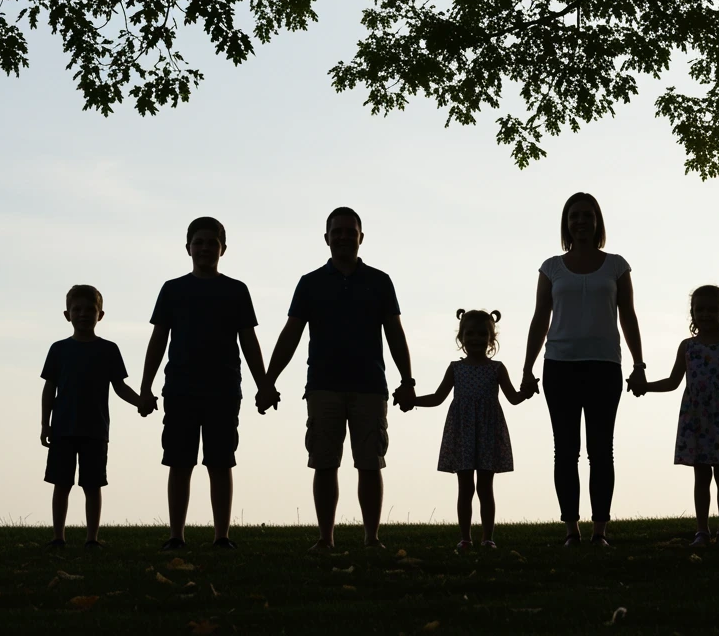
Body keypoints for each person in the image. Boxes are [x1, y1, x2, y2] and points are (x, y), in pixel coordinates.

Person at [256, 207, 415, 550]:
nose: (343, 237)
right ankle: (325, 539)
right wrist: (268, 381)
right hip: (323, 386)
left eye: (349, 232)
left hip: (369, 386)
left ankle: (372, 538)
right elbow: (290, 334)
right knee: (324, 463)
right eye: (337, 232)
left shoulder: (380, 281)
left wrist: (408, 381)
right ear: (326, 238)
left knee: (370, 464)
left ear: (361, 237)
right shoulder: (310, 283)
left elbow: (395, 333)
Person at [519, 192, 649, 547]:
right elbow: (540, 318)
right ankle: (571, 529)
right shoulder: (551, 268)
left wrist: (639, 364)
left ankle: (600, 530)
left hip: (604, 366)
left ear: (597, 221)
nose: (580, 222)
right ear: (566, 223)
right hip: (559, 366)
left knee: (601, 450)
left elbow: (628, 316)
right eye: (574, 216)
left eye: (587, 215)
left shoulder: (616, 266)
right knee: (565, 450)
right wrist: (527, 368)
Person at [138, 216, 268, 551]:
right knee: (179, 462)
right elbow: (158, 339)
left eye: (212, 242)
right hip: (180, 388)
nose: (205, 248)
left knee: (221, 462)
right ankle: (176, 536)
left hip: (223, 389)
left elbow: (249, 340)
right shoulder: (172, 289)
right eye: (199, 242)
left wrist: (263, 384)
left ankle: (221, 536)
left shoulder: (236, 290)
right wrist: (145, 387)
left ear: (223, 248)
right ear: (188, 248)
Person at [411, 309, 530, 550]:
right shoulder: (456, 368)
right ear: (461, 337)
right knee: (465, 487)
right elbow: (437, 397)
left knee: (485, 487)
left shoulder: (497, 368)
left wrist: (527, 391)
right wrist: (412, 400)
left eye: (482, 334)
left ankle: (488, 538)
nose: (476, 338)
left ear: (491, 338)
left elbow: (513, 398)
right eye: (470, 333)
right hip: (462, 432)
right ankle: (465, 538)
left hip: (488, 432)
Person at [643, 284, 719, 547]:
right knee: (701, 476)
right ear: (692, 313)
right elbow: (673, 381)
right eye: (700, 310)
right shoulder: (687, 347)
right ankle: (702, 531)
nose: (706, 314)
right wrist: (646, 386)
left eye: (712, 309)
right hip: (696, 419)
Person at [40, 284, 143, 549]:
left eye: (89, 309)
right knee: (61, 484)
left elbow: (119, 387)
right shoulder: (58, 349)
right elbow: (49, 388)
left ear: (100, 315)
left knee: (92, 485)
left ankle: (92, 538)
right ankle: (58, 537)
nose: (83, 314)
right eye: (77, 309)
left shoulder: (108, 350)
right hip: (63, 429)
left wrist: (140, 402)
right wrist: (45, 424)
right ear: (67, 315)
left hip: (95, 430)